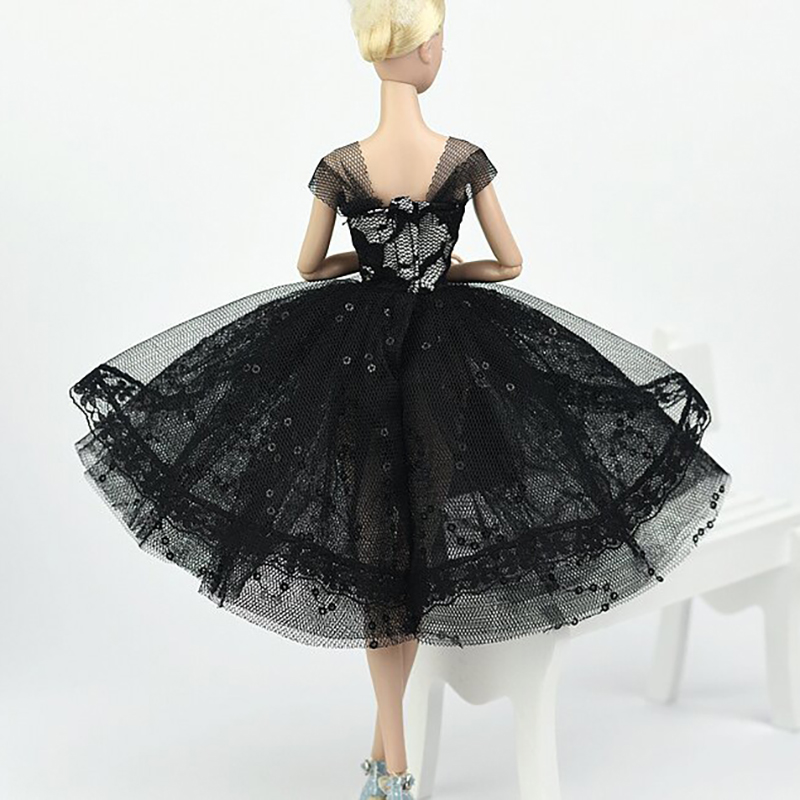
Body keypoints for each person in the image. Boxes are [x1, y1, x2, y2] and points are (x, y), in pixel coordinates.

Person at [68, 1, 732, 798]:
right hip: (443, 359)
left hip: (357, 356)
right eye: (439, 39)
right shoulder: (463, 161)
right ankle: (395, 764)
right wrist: (444, 274)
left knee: (381, 551)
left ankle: (389, 764)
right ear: (420, 49)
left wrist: (369, 264)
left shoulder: (341, 167)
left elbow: (310, 267)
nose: (441, 51)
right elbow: (510, 264)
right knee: (407, 554)